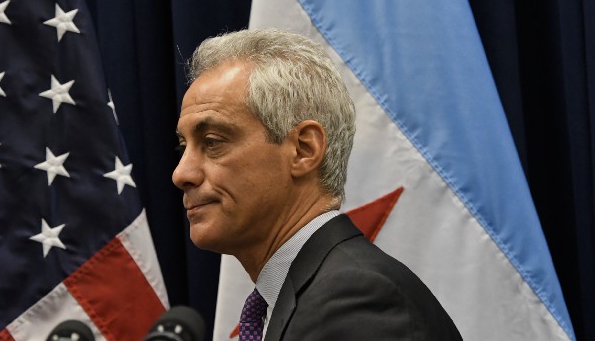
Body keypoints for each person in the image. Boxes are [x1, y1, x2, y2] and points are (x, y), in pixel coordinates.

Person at [173, 28, 462, 340]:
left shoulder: (355, 301)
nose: (181, 173)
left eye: (213, 142)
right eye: (182, 147)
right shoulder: (304, 296)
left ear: (303, 150)